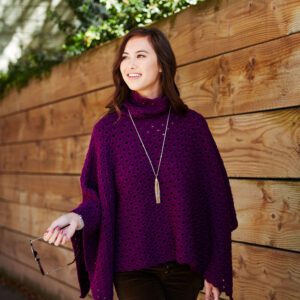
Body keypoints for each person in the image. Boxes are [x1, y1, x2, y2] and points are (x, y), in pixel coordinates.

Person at [43, 26, 238, 300]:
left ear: (162, 65)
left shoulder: (192, 126)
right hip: (132, 266)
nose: (129, 64)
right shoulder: (108, 130)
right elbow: (96, 197)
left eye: (140, 55)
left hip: (186, 264)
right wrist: (77, 218)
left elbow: (217, 200)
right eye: (125, 57)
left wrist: (216, 267)